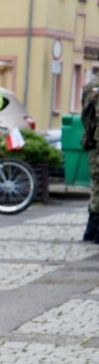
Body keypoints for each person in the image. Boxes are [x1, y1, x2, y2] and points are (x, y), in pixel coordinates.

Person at [80, 73, 99, 243]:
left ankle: (92, 228)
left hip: (94, 141)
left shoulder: (91, 85)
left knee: (96, 182)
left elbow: (86, 116)